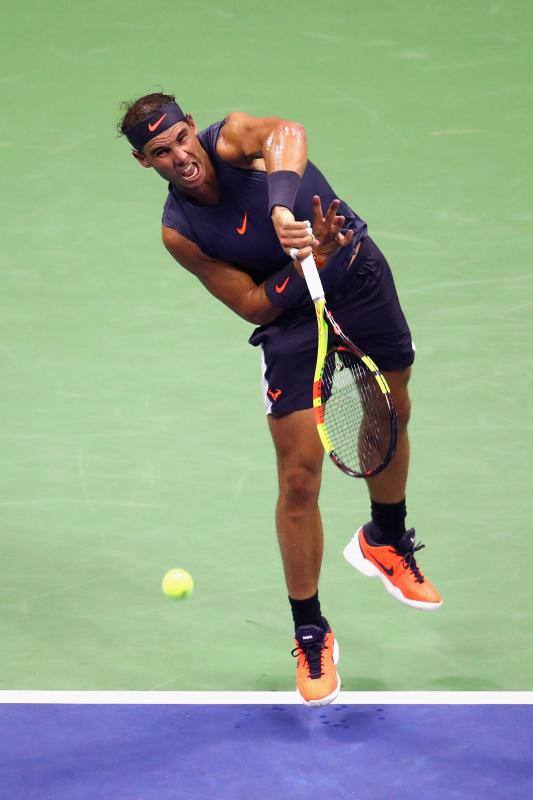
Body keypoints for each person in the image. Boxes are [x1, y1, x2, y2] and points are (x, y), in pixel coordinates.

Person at [118, 93, 442, 707]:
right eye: (161, 153)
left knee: (391, 408)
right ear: (145, 162)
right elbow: (248, 302)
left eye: (181, 139)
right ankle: (310, 629)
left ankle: (385, 538)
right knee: (298, 477)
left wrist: (280, 214)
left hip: (354, 271)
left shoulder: (237, 136)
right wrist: (303, 261)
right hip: (292, 319)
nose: (180, 156)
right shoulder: (179, 231)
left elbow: (288, 131)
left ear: (193, 128)